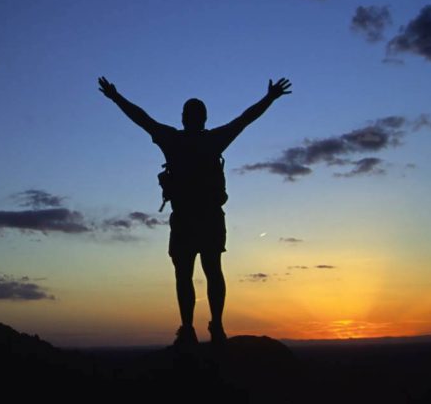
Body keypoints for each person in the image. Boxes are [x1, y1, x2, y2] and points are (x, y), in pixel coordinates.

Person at [97, 76, 292, 346]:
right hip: (208, 218)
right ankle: (214, 327)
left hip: (187, 220)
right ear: (204, 118)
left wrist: (115, 97)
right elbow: (245, 119)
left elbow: (142, 119)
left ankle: (190, 329)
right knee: (211, 271)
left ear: (184, 117)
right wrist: (269, 98)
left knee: (187, 274)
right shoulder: (213, 140)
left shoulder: (172, 140)